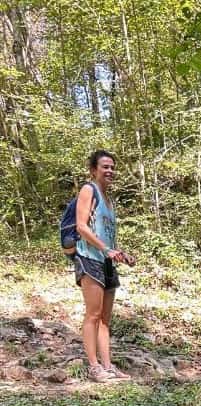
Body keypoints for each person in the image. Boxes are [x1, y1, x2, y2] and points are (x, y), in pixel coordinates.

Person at [75, 150, 136, 382]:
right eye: (105, 167)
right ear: (94, 170)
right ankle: (93, 366)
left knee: (105, 319)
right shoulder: (88, 190)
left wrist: (121, 254)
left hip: (108, 262)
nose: (110, 171)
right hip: (90, 259)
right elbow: (81, 226)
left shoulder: (109, 201)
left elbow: (108, 235)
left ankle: (108, 366)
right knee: (93, 314)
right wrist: (104, 249)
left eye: (112, 167)